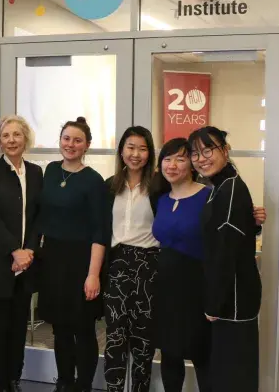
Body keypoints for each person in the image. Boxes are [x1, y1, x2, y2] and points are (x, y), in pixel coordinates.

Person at [35, 116, 107, 392]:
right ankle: (64, 381)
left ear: (87, 145)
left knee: (83, 329)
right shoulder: (51, 171)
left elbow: (100, 232)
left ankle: (83, 385)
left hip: (81, 262)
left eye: (77, 140)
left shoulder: (93, 181)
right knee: (59, 328)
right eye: (66, 138)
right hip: (52, 260)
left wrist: (93, 275)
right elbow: (40, 217)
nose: (71, 144)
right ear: (60, 140)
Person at [188, 126, 262, 392]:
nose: (201, 158)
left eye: (208, 150)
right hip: (230, 299)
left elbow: (225, 252)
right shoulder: (221, 187)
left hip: (232, 301)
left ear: (225, 150)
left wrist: (214, 305)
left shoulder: (229, 189)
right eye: (195, 153)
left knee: (233, 376)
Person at [0, 115, 44, 392]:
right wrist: (14, 250)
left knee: (18, 329)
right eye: (6, 136)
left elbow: (38, 216)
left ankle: (15, 379)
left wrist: (29, 250)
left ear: (25, 138)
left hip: (27, 262)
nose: (12, 140)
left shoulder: (37, 172)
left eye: (17, 135)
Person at [151, 138, 212, 392]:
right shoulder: (161, 199)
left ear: (192, 164)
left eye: (180, 158)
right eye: (167, 159)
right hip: (165, 286)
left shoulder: (208, 196)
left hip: (198, 286)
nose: (172, 165)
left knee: (202, 353)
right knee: (170, 351)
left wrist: (254, 219)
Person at [103, 126, 159, 392]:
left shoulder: (160, 186)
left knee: (144, 341)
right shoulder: (109, 186)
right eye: (130, 147)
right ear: (122, 150)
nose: (136, 154)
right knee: (114, 337)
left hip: (149, 266)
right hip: (116, 265)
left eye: (142, 148)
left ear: (150, 153)